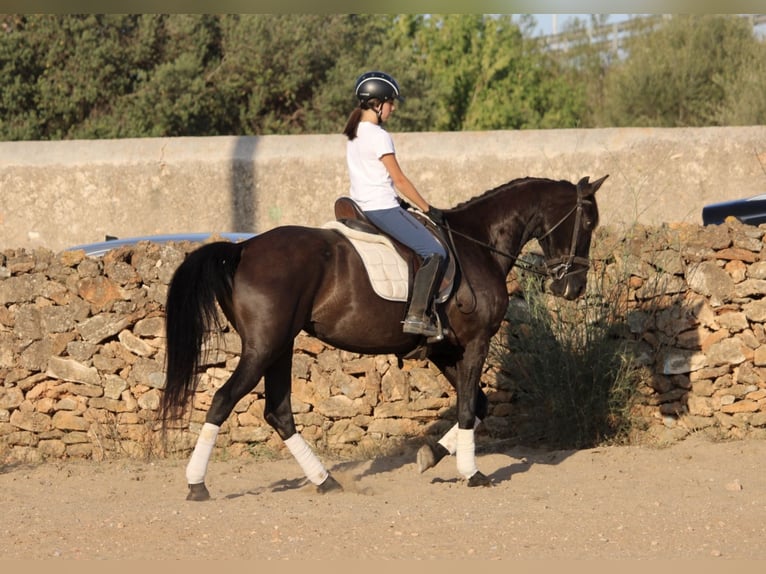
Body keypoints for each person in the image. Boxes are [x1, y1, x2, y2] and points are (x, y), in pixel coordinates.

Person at [342, 70, 447, 338]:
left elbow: (372, 175)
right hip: (381, 208)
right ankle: (417, 316)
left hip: (362, 205)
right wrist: (428, 208)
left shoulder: (354, 132)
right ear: (377, 103)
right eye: (390, 102)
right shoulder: (378, 135)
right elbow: (399, 179)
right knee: (435, 252)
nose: (393, 107)